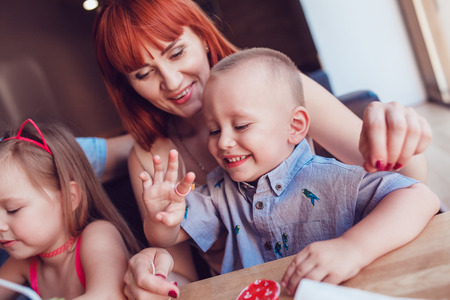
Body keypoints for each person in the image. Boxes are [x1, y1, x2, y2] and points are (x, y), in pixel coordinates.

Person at [92, 0, 434, 297]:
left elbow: (409, 183)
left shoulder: (280, 88)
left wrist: (399, 137)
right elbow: (179, 266)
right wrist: (155, 274)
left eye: (177, 52)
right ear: (127, 85)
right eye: (143, 73)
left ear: (202, 34)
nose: (171, 81)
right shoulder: (154, 158)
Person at [0, 119, 146, 299]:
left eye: (13, 210)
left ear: (69, 198)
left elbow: (108, 295)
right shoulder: (24, 263)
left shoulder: (97, 236)